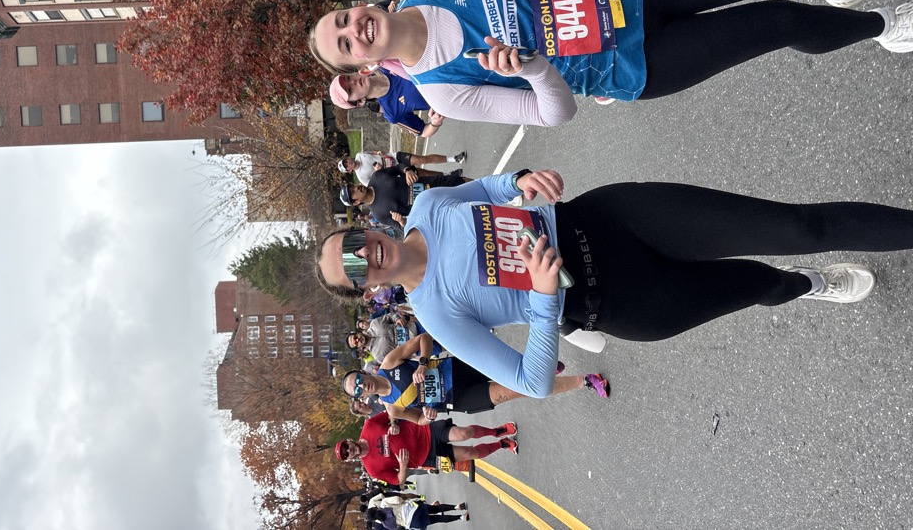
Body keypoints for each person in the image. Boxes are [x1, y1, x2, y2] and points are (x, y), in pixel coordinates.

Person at [316, 168, 913, 398]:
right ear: (369, 290)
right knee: (758, 283)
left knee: (794, 223)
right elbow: (531, 382)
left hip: (610, 218)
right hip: (623, 301)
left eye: (351, 244)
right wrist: (547, 304)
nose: (363, 255)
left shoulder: (428, 207)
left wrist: (521, 181)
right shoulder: (436, 317)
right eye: (355, 269)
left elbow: (492, 192)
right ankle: (807, 285)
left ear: (357, 229)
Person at [311, 0, 913, 126]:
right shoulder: (441, 89)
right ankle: (882, 24)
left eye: (344, 18)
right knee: (779, 22)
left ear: (358, 6)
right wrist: (532, 68)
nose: (353, 28)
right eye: (344, 44)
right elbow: (554, 114)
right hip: (636, 62)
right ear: (359, 66)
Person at [341, 331, 606, 424]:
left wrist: (422, 363)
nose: (361, 386)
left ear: (363, 372)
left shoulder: (389, 363)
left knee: (513, 367)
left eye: (358, 379)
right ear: (362, 397)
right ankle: (586, 381)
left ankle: (538, 366)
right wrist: (428, 416)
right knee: (514, 390)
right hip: (457, 399)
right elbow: (420, 419)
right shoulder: (393, 409)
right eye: (358, 390)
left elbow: (424, 339)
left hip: (458, 368)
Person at [335, 412, 516, 487]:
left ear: (349, 441)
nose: (349, 450)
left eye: (346, 447)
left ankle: (496, 431)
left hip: (425, 432)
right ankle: (502, 444)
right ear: (350, 458)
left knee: (464, 433)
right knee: (471, 454)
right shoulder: (372, 469)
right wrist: (404, 466)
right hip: (427, 457)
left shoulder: (370, 425)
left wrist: (393, 423)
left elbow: (392, 411)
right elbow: (398, 481)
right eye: (346, 454)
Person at [329, 67, 449, 139]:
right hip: (458, 97)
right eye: (350, 90)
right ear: (360, 102)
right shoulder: (392, 112)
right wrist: (435, 123)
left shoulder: (386, 64)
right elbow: (422, 132)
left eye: (348, 78)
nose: (353, 82)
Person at [341, 165, 470, 231]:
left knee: (460, 181)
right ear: (356, 202)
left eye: (354, 186)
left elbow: (398, 167)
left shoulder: (376, 177)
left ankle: (487, 186)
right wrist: (402, 221)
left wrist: (407, 170)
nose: (357, 188)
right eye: (353, 192)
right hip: (432, 207)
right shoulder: (379, 214)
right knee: (464, 206)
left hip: (430, 183)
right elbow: (403, 228)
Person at [339, 150, 466, 186]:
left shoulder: (359, 155)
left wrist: (378, 152)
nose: (348, 163)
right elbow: (374, 186)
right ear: (349, 171)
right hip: (396, 171)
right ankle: (449, 175)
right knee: (425, 174)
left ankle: (454, 158)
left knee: (421, 159)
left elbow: (371, 152)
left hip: (395, 158)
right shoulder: (361, 177)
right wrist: (379, 172)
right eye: (346, 166)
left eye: (346, 161)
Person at [367, 491, 471, 527]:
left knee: (437, 519)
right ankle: (456, 507)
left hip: (412, 523)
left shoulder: (384, 523)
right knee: (435, 509)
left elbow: (396, 525)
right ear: (374, 509)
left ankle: (461, 517)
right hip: (413, 510)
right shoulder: (384, 503)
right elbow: (398, 499)